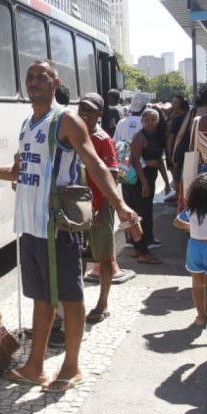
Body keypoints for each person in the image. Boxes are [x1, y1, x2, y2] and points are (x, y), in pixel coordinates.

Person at [0, 60, 140, 392]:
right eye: (29, 77)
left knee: (70, 300)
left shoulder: (67, 121)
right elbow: (18, 172)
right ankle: (35, 366)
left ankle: (71, 367)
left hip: (57, 228)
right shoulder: (28, 124)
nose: (33, 82)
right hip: (30, 227)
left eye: (40, 77)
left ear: (54, 82)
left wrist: (121, 206)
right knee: (42, 299)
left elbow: (97, 165)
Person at [75, 92, 123, 324]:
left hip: (99, 207)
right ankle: (77, 302)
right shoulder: (72, 135)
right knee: (77, 257)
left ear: (99, 114)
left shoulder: (103, 139)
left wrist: (104, 210)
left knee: (103, 258)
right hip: (76, 208)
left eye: (90, 109)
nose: (84, 111)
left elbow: (112, 177)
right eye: (82, 107)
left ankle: (103, 304)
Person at [174, 172, 207, 327]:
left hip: (194, 246)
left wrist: (191, 227)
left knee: (196, 284)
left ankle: (200, 315)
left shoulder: (191, 211)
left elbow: (176, 222)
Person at [128, 108, 168, 264]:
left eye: (153, 119)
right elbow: (135, 160)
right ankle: (143, 252)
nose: (150, 122)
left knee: (143, 215)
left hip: (150, 179)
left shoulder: (156, 136)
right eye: (147, 119)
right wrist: (144, 182)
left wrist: (166, 182)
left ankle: (138, 248)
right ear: (142, 121)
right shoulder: (140, 136)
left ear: (158, 120)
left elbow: (159, 161)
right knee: (143, 217)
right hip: (140, 182)